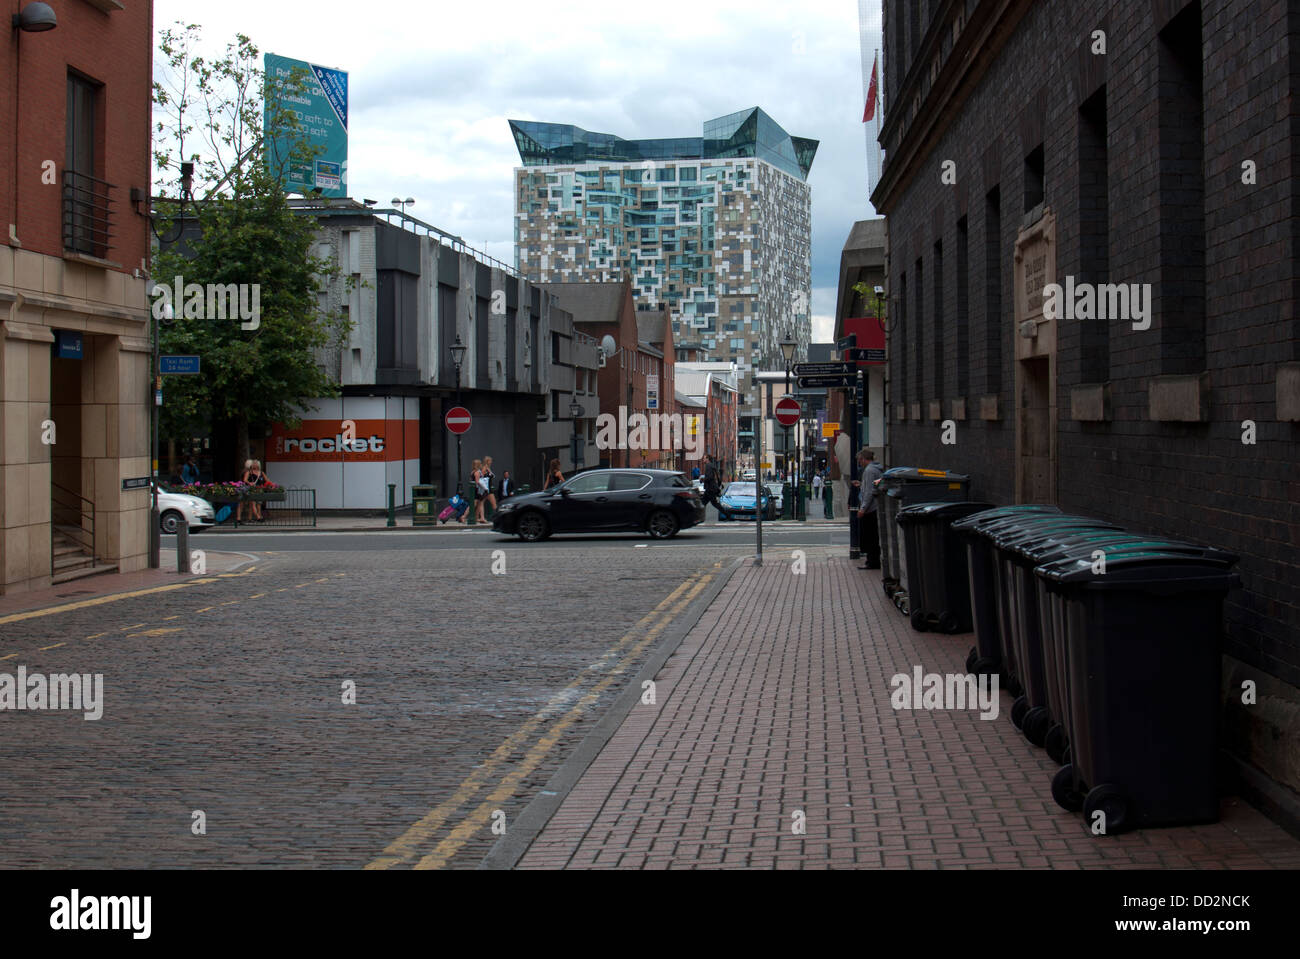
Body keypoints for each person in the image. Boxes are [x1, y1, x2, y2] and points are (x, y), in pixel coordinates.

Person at [850, 449, 884, 569]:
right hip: (874, 507)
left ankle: (872, 561)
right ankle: (873, 560)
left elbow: (869, 492)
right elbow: (873, 486)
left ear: (864, 459)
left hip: (870, 509)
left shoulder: (869, 471)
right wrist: (861, 484)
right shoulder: (876, 469)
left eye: (860, 461)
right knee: (873, 536)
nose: (860, 463)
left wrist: (862, 509)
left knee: (870, 537)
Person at [480, 456, 498, 521]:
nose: (491, 462)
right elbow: (481, 476)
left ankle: (483, 517)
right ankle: (482, 517)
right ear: (487, 461)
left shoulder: (488, 468)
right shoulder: (484, 468)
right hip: (487, 488)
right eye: (490, 461)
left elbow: (492, 476)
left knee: (483, 502)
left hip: (489, 487)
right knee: (492, 503)